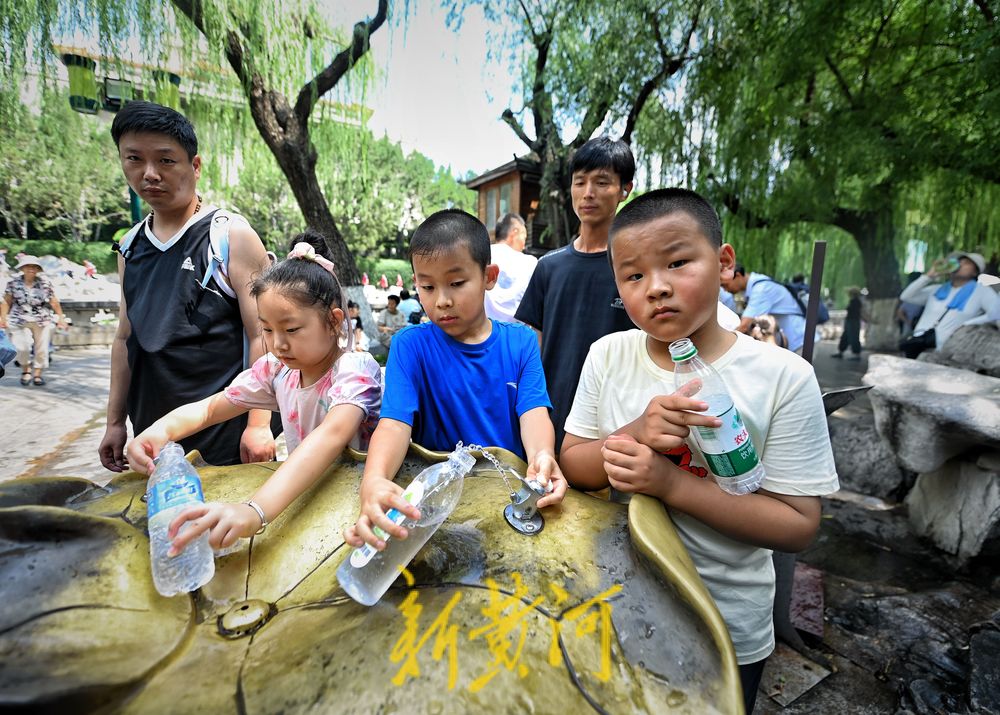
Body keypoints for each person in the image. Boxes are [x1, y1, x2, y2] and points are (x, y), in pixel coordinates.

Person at [559, 188, 838, 714]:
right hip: (617, 602)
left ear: (723, 261)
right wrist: (635, 432)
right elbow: (575, 464)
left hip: (726, 619)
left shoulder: (783, 377)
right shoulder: (608, 356)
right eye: (633, 275)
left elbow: (798, 524)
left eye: (678, 262)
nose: (656, 288)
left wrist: (671, 486)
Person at [126, 235, 382, 555]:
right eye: (267, 329)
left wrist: (255, 510)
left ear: (333, 321)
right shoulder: (277, 370)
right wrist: (157, 432)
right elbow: (209, 409)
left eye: (291, 330)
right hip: (304, 491)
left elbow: (332, 436)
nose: (278, 344)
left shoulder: (354, 371)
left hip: (357, 498)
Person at [344, 209, 567, 551]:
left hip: (506, 499)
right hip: (437, 506)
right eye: (427, 286)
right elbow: (393, 425)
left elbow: (534, 411)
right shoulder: (410, 346)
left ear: (488, 276)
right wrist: (373, 481)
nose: (442, 300)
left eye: (457, 283)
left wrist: (542, 456)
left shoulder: (520, 343)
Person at [99, 101, 276, 471]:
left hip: (223, 433)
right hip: (152, 433)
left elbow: (264, 335)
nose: (149, 174)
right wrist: (115, 422)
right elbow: (124, 338)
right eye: (134, 159)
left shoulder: (230, 236)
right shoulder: (130, 246)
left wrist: (259, 425)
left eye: (165, 160)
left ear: (194, 166)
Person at [515, 137, 636, 452]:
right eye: (579, 182)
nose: (588, 193)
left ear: (626, 189)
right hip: (547, 423)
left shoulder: (637, 270)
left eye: (602, 182)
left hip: (613, 429)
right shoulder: (548, 267)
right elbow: (530, 353)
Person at [898, 252, 998, 358]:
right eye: (958, 262)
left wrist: (967, 324)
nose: (960, 264)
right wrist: (928, 276)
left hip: (945, 352)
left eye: (966, 263)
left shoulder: (981, 291)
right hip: (917, 344)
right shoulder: (936, 290)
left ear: (975, 272)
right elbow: (906, 296)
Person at [0, 255, 68, 386]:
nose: (31, 269)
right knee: (21, 347)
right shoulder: (13, 283)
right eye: (28, 266)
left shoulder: (45, 283)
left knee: (42, 348)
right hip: (18, 318)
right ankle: (26, 370)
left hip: (41, 318)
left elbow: (54, 302)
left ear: (38, 269)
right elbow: (7, 302)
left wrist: (61, 318)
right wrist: (3, 318)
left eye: (34, 267)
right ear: (23, 268)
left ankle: (37, 374)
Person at [722, 265, 813, 354]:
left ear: (738, 275)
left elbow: (744, 326)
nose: (725, 290)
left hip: (799, 342)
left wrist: (723, 345)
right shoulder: (758, 284)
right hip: (796, 341)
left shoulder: (761, 289)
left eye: (725, 285)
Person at [484, 212, 537, 323]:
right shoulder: (529, 262)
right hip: (516, 332)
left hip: (482, 330)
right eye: (524, 236)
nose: (524, 244)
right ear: (515, 232)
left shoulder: (482, 255)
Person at [832, 287, 866, 360]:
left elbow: (861, 312)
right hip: (850, 321)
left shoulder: (856, 301)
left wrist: (866, 319)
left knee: (854, 337)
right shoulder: (853, 301)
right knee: (845, 337)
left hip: (854, 321)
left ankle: (857, 355)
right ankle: (841, 352)